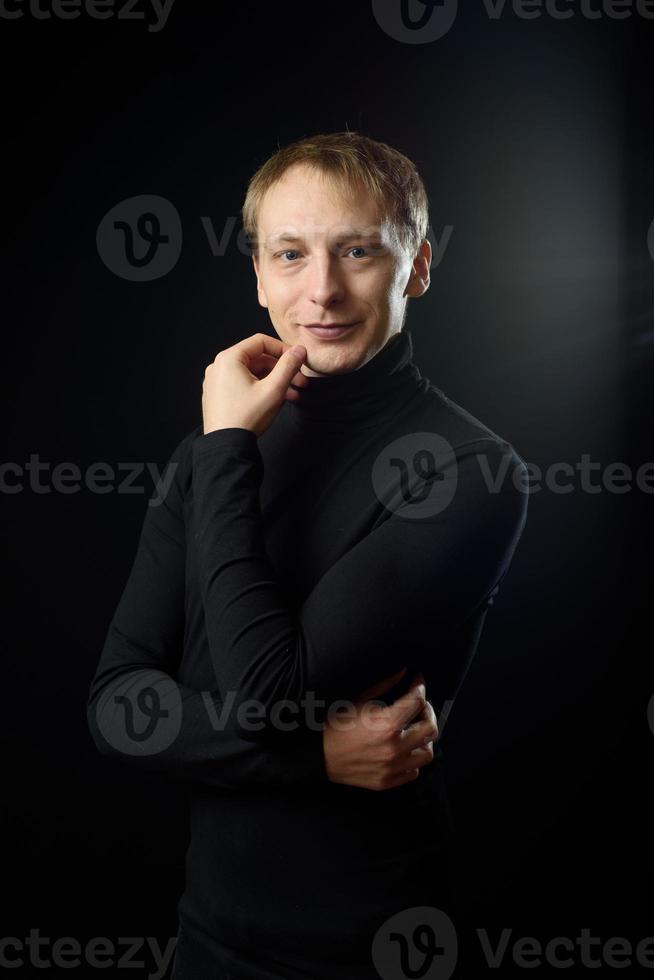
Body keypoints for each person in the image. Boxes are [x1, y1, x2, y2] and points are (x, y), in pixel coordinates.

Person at [87, 131, 529, 980]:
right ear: (259, 275)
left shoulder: (467, 471)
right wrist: (317, 755)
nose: (321, 289)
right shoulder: (217, 447)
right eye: (290, 254)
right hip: (208, 941)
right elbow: (116, 704)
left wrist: (224, 456)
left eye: (358, 251)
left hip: (371, 951)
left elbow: (266, 694)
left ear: (419, 267)